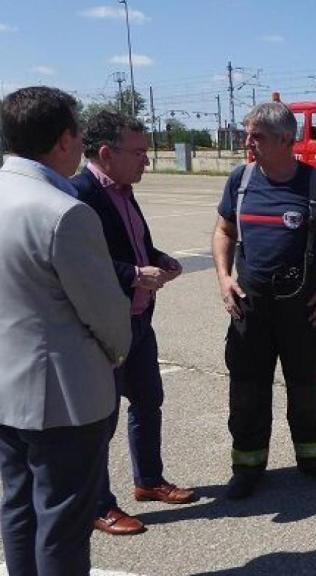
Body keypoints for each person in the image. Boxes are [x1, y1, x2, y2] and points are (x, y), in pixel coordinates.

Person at [0, 86, 131, 575]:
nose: (80, 145)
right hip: (65, 397)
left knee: (19, 507)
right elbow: (106, 312)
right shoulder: (65, 212)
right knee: (63, 522)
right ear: (62, 140)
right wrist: (118, 352)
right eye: (78, 134)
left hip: (6, 389)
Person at [211, 102, 316, 499]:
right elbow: (224, 232)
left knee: (308, 386)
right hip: (250, 307)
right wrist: (224, 278)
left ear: (284, 140)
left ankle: (314, 459)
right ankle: (247, 467)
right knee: (247, 390)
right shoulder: (240, 181)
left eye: (256, 136)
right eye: (247, 134)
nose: (248, 143)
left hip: (303, 310)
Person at [70, 111, 196, 537]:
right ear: (106, 153)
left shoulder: (124, 191)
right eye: (139, 152)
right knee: (100, 422)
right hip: (104, 329)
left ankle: (148, 480)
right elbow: (83, 264)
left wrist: (158, 259)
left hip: (140, 320)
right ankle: (98, 505)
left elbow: (131, 243)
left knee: (148, 401)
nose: (147, 161)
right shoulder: (79, 195)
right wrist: (132, 275)